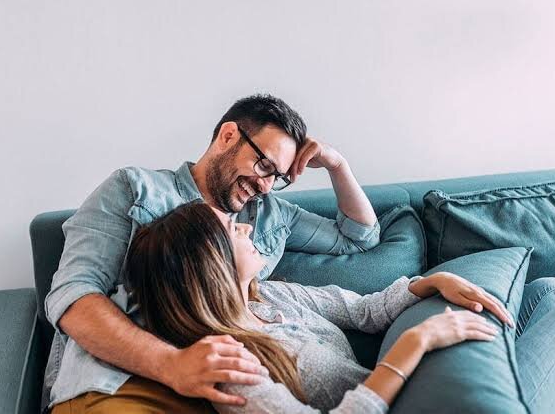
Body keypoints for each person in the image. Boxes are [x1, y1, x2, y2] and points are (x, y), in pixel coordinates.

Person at [126, 201, 555, 413]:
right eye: (229, 228)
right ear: (209, 264)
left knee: (550, 293)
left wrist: (430, 283)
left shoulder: (271, 296)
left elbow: (363, 310)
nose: (244, 226)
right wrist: (414, 345)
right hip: (417, 404)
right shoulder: (227, 365)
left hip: (425, 383)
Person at [45, 94, 382, 413]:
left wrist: (337, 165)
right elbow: (72, 294)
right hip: (124, 381)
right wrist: (170, 364)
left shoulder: (270, 215)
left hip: (230, 390)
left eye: (278, 177)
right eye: (264, 165)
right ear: (228, 136)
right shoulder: (136, 190)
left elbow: (359, 237)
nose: (265, 186)